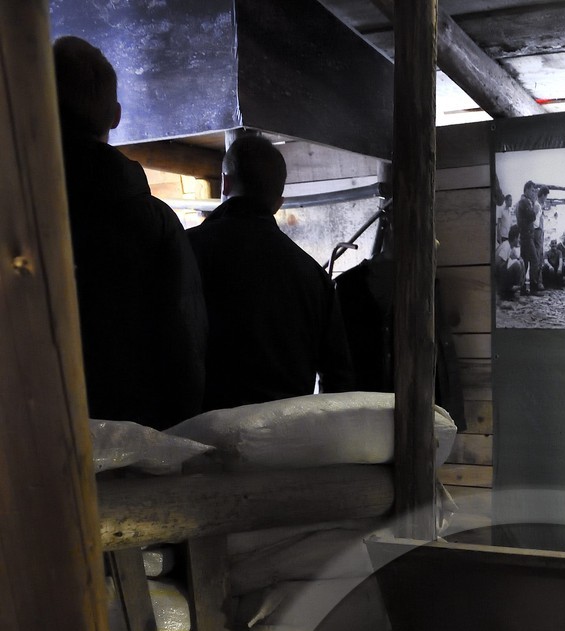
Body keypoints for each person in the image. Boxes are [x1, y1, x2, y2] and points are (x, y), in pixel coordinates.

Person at [52, 35, 206, 429]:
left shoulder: (19, 214)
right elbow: (185, 347)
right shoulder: (155, 223)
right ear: (116, 115)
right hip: (132, 443)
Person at [189, 133, 353, 410]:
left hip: (198, 436)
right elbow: (339, 380)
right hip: (285, 442)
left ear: (226, 183)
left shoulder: (186, 249)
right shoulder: (312, 274)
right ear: (279, 201)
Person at [515, 180, 541, 294]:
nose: (533, 193)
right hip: (526, 236)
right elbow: (531, 216)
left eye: (534, 191)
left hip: (525, 235)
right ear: (526, 190)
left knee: (525, 261)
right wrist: (535, 210)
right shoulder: (524, 202)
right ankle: (534, 287)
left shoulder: (524, 201)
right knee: (534, 260)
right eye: (531, 190)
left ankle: (522, 288)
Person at [495, 225, 525, 300]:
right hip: (496, 278)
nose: (519, 240)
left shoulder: (509, 246)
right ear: (515, 238)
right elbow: (499, 266)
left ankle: (512, 290)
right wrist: (508, 286)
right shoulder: (506, 246)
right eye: (518, 238)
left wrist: (518, 259)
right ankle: (507, 292)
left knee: (519, 262)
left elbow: (516, 257)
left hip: (499, 277)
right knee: (517, 265)